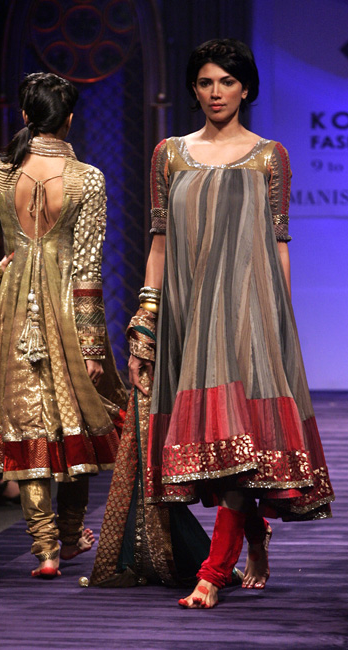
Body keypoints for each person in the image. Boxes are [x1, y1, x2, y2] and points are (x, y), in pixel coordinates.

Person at [124, 39, 334, 608]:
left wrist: (281, 320)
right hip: (189, 313)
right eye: (205, 82)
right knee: (214, 438)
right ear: (193, 89)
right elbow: (159, 243)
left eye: (227, 82)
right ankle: (255, 536)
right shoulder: (170, 154)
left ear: (246, 89)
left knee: (240, 431)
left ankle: (213, 573)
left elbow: (279, 242)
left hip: (250, 313)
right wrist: (146, 321)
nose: (215, 92)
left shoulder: (270, 156)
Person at [0, 72, 127, 578]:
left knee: (25, 425)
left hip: (12, 311)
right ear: (70, 119)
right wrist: (91, 344)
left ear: (24, 115)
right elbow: (87, 269)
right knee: (75, 425)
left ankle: (46, 549)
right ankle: (69, 535)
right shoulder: (87, 178)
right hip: (67, 314)